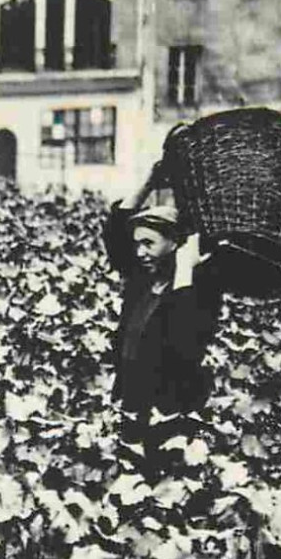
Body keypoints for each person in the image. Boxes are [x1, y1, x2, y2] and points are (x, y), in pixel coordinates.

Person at [102, 160, 223, 465]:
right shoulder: (142, 280)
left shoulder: (200, 288)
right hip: (132, 395)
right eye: (137, 244)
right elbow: (116, 230)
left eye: (148, 243)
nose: (140, 251)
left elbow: (184, 341)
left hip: (170, 408)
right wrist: (149, 182)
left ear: (174, 244)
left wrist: (185, 268)